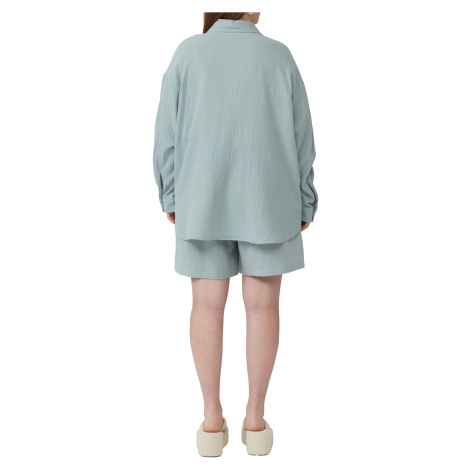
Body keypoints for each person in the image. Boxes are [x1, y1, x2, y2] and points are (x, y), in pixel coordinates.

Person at [153, 12, 318, 457]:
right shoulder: (279, 56)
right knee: (263, 307)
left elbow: (166, 135)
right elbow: (302, 138)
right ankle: (256, 420)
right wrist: (305, 199)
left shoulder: (188, 54)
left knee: (206, 306)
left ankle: (211, 422)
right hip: (268, 199)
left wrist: (171, 194)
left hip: (202, 199)